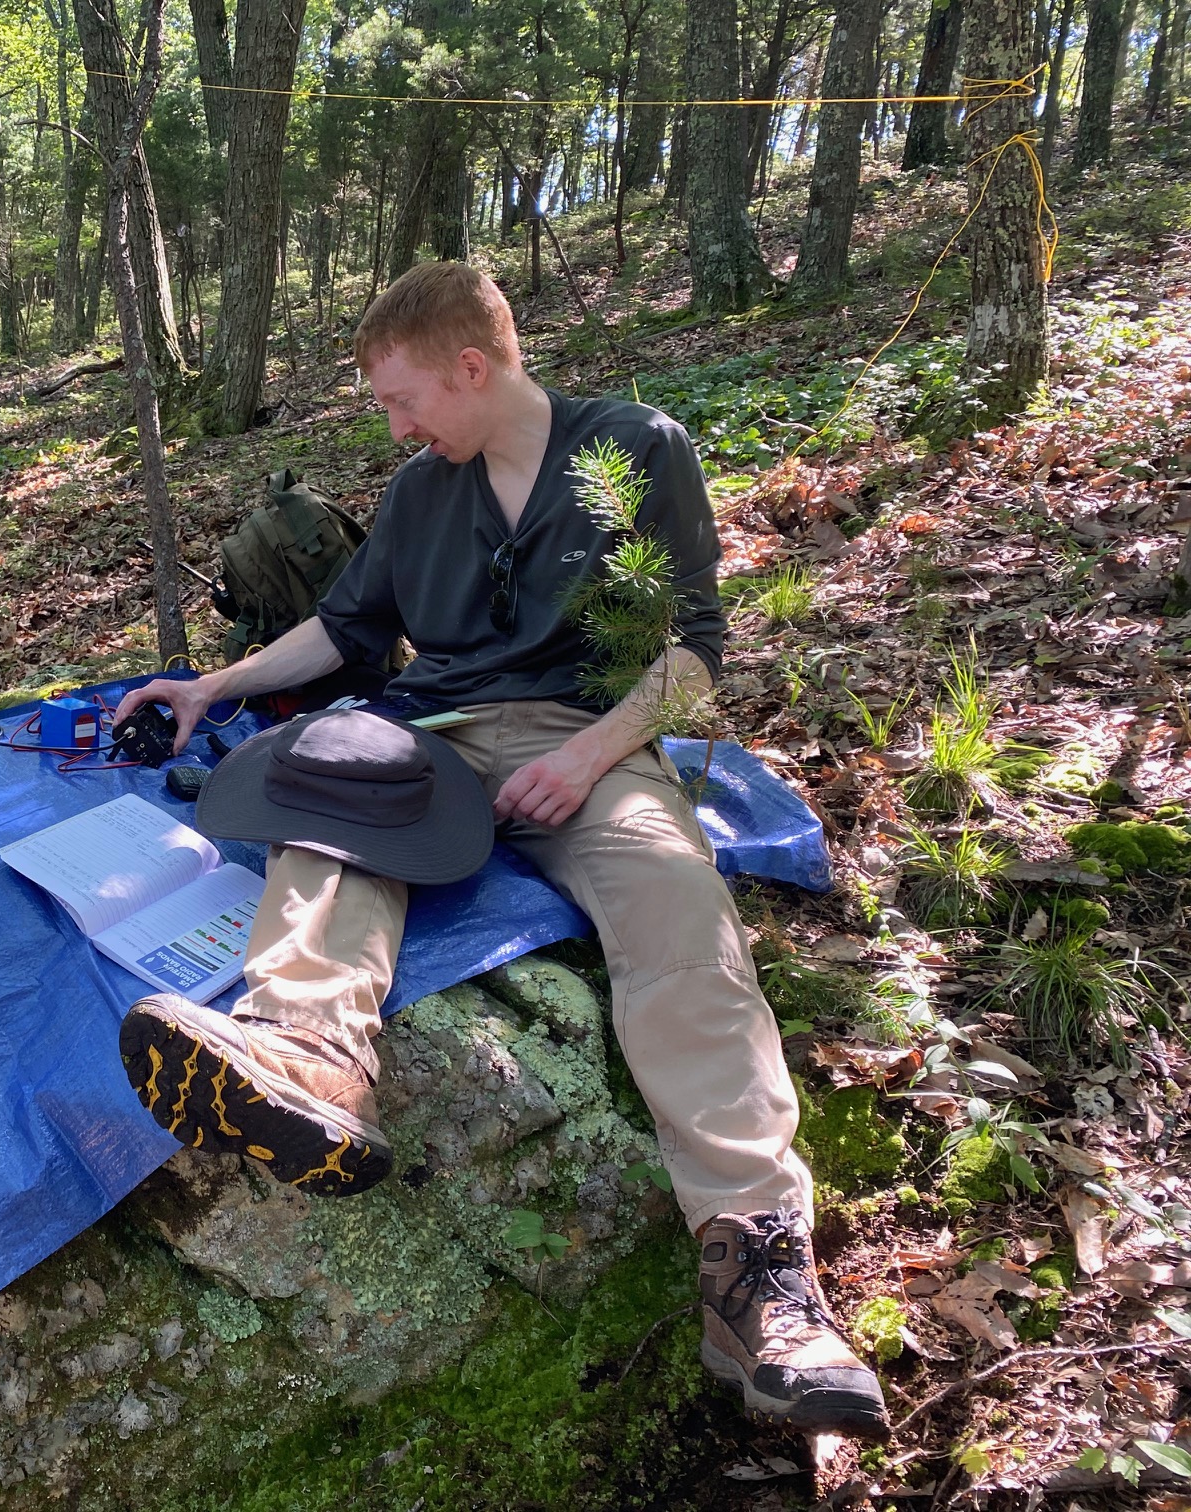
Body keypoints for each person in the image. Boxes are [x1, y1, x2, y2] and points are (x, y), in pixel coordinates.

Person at [110, 260, 889, 1440]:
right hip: (431, 731)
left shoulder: (635, 450)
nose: (397, 427)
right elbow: (345, 627)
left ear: (472, 367)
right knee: (329, 803)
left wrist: (589, 757)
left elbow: (693, 653)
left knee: (680, 914)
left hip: (588, 740)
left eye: (403, 399)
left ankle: (760, 1281)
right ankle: (309, 1057)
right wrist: (213, 684)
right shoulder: (423, 491)